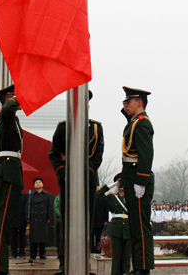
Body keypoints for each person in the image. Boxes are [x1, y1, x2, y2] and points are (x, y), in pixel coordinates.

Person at [49, 90, 104, 275]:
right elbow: (54, 154)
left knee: (87, 223)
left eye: (84, 103)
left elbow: (98, 156)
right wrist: (64, 175)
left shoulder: (96, 128)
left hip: (88, 181)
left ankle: (84, 265)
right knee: (67, 224)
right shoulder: (63, 127)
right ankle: (64, 265)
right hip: (68, 181)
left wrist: (85, 174)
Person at [0, 85, 24, 275]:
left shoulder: (10, 120)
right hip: (6, 173)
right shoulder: (5, 116)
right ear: (7, 98)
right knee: (1, 224)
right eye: (15, 96)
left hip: (6, 171)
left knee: (4, 224)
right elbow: (8, 108)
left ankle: (0, 267)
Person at [119, 86, 155, 275]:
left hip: (138, 179)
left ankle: (143, 268)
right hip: (131, 177)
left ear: (139, 103)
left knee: (141, 225)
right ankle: (138, 266)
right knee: (135, 226)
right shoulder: (134, 122)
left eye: (128, 101)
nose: (125, 105)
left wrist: (141, 180)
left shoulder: (142, 123)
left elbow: (146, 154)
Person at [97, 174, 131, 275]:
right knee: (116, 258)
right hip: (116, 229)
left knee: (126, 258)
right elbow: (98, 195)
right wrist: (108, 187)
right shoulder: (112, 197)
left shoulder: (131, 197)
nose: (121, 184)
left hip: (128, 229)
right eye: (119, 182)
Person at [26, 177, 53, 261]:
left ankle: (42, 254)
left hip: (43, 218)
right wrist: (27, 217)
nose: (38, 183)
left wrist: (49, 218)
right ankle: (32, 255)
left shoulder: (47, 195)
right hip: (34, 218)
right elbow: (27, 207)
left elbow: (50, 207)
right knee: (33, 238)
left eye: (39, 182)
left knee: (42, 238)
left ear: (42, 184)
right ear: (34, 185)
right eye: (36, 182)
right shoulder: (31, 195)